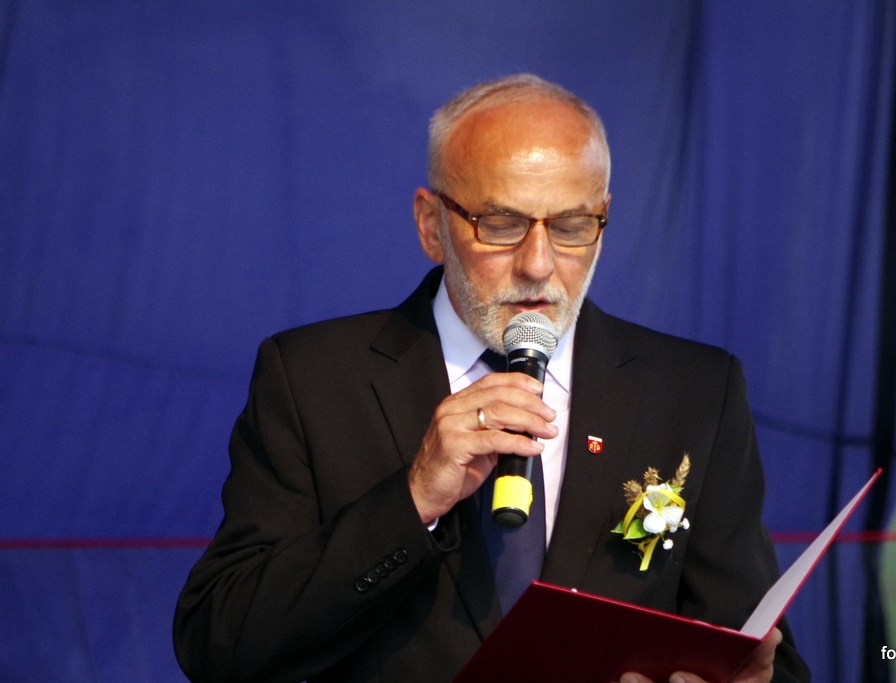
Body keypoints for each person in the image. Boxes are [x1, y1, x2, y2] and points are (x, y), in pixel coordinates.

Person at [173, 73, 810, 683]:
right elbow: (220, 645)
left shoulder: (694, 392)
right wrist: (413, 500)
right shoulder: (313, 379)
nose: (538, 264)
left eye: (571, 227)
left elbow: (762, 656)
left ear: (604, 220)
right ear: (431, 225)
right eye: (501, 225)